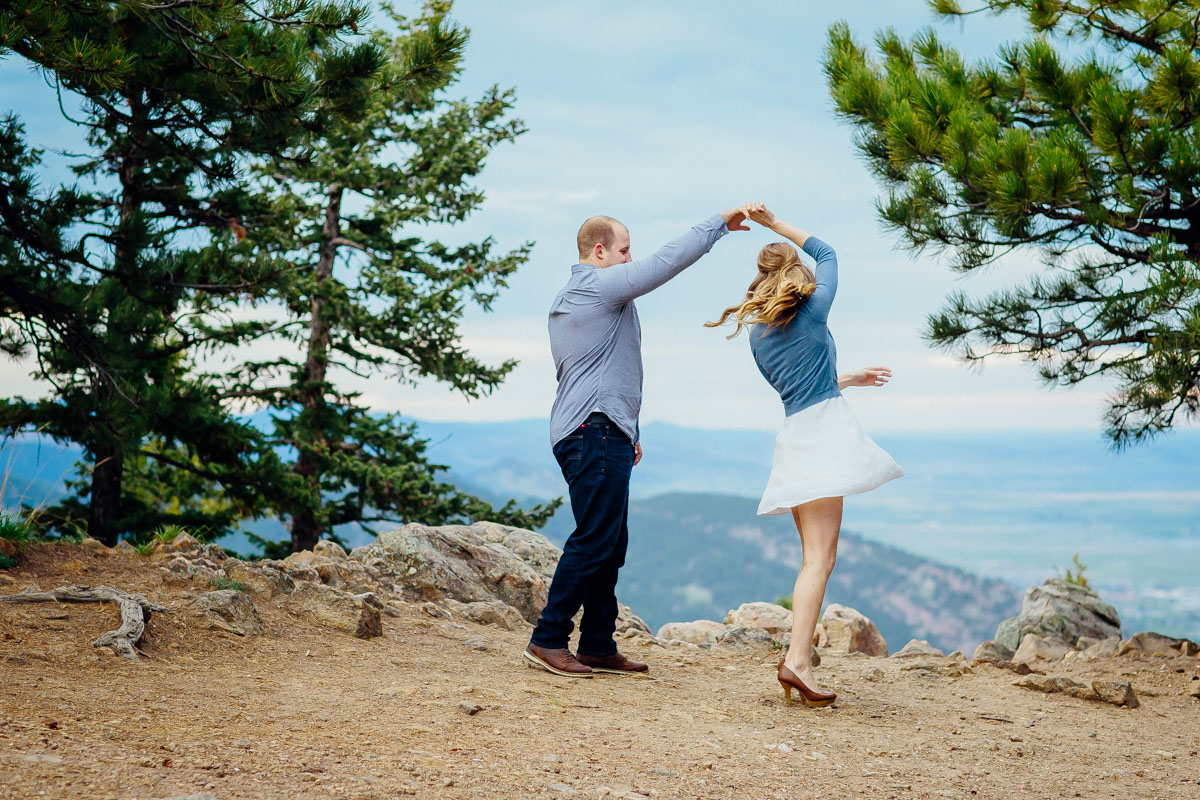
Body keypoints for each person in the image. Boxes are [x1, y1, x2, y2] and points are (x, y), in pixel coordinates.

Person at [524, 207, 750, 678]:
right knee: (594, 539)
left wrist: (629, 431)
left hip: (602, 429)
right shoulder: (596, 286)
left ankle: (598, 644)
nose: (632, 259)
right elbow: (664, 263)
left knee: (610, 540)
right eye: (625, 250)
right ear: (600, 251)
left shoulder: (587, 295)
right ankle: (548, 638)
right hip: (594, 428)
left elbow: (612, 366)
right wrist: (716, 226)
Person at [706, 202, 903, 706]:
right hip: (826, 437)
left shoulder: (758, 335)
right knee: (820, 560)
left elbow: (803, 386)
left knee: (811, 558)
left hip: (796, 436)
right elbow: (827, 250)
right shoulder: (815, 308)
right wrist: (773, 222)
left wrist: (848, 378)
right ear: (797, 275)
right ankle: (796, 661)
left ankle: (801, 658)